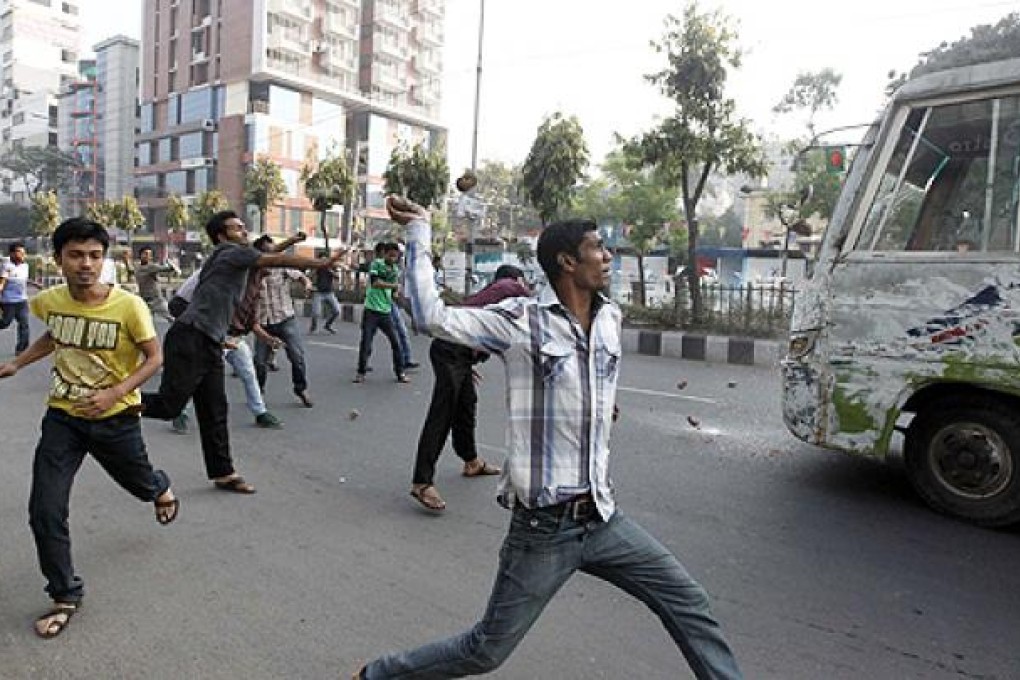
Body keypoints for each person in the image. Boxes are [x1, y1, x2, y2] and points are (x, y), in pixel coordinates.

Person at [353, 196, 743, 679]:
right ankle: (378, 674)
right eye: (598, 248)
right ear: (567, 261)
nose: (607, 257)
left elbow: (592, 385)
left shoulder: (609, 319)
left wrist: (598, 407)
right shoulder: (521, 322)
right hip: (543, 530)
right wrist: (419, 231)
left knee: (688, 602)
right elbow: (431, 317)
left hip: (602, 517)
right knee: (485, 651)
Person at [0, 218, 178, 640]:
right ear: (58, 258)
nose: (86, 264)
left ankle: (158, 487)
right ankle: (65, 594)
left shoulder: (128, 306)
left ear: (105, 259)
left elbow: (155, 358)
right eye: (76, 255)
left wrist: (115, 392)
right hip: (63, 418)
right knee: (44, 509)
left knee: (138, 482)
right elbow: (55, 336)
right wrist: (18, 361)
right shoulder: (50, 300)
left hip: (117, 420)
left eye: (95, 256)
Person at [141, 211, 342, 494]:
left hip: (208, 338)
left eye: (242, 226)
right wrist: (320, 262)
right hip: (191, 337)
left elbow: (268, 253)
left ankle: (223, 473)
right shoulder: (230, 252)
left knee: (214, 410)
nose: (243, 230)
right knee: (168, 406)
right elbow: (274, 259)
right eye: (236, 228)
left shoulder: (234, 257)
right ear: (222, 236)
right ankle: (114, 402)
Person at [408, 264, 531, 512]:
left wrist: (467, 364)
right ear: (516, 279)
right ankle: (421, 481)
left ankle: (471, 461)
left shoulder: (493, 295)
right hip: (451, 350)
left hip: (457, 352)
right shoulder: (511, 287)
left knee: (466, 405)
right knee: (442, 413)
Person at [353, 241, 407, 384]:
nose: (393, 259)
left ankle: (400, 372)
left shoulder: (395, 269)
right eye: (390, 255)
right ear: (385, 254)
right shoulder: (376, 264)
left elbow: (394, 291)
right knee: (366, 342)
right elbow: (375, 283)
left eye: (395, 256)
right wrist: (394, 286)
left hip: (385, 311)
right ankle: (361, 372)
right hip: (371, 309)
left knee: (395, 342)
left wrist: (396, 293)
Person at [122, 246, 178, 322]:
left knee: (172, 319)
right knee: (143, 322)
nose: (147, 256)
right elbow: (131, 271)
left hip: (156, 300)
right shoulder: (138, 267)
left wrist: (172, 267)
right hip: (144, 301)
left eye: (149, 255)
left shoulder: (152, 267)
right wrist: (126, 260)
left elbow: (165, 269)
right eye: (145, 254)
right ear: (140, 255)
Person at [0, 242, 33, 354]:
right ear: (12, 254)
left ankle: (22, 349)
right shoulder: (6, 266)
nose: (22, 255)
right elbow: (2, 283)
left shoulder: (25, 266)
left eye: (24, 253)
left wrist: (37, 285)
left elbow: (23, 280)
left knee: (24, 324)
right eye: (19, 252)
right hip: (8, 302)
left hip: (22, 301)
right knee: (5, 323)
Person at [389, 242, 419, 370]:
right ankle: (363, 363)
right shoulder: (381, 266)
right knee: (369, 335)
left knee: (401, 332)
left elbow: (400, 292)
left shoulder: (400, 268)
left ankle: (405, 360)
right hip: (379, 304)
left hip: (392, 303)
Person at [309, 248, 344, 334]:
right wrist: (316, 268)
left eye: (325, 259)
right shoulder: (317, 267)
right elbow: (309, 275)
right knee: (316, 313)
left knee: (337, 311)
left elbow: (337, 277)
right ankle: (313, 327)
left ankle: (328, 325)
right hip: (319, 292)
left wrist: (330, 270)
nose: (323, 261)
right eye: (321, 259)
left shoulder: (331, 267)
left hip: (329, 292)